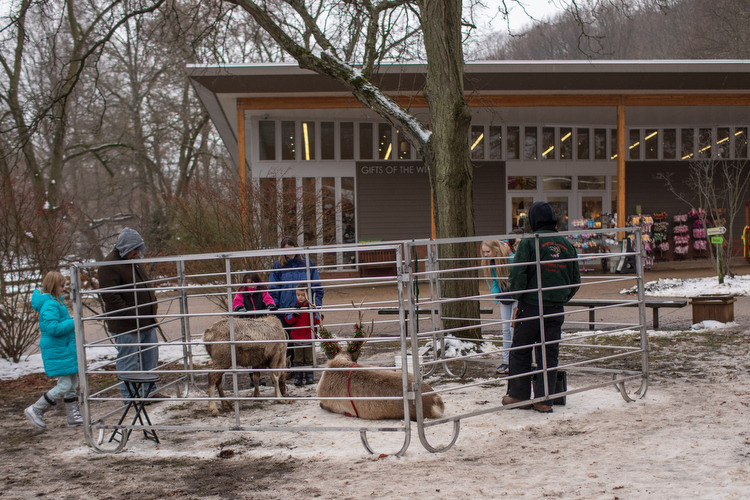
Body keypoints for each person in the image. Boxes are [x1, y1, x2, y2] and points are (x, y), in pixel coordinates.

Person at [503, 202, 580, 413]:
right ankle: (544, 399)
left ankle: (518, 396)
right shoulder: (567, 244)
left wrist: (519, 295)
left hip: (531, 306)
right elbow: (575, 279)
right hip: (555, 308)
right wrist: (561, 297)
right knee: (549, 352)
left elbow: (518, 273)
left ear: (533, 219)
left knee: (521, 350)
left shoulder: (530, 242)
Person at [98, 227, 168, 401]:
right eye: (135, 248)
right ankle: (130, 397)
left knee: (149, 359)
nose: (138, 252)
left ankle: (148, 391)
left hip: (145, 321)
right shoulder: (109, 266)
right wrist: (131, 313)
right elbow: (110, 296)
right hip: (127, 324)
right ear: (126, 247)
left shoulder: (133, 261)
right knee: (128, 360)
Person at [25, 271, 84, 429]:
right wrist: (73, 322)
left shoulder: (56, 301)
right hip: (58, 351)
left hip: (64, 350)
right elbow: (53, 328)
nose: (64, 288)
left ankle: (73, 416)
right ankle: (36, 409)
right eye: (62, 285)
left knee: (72, 383)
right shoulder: (50, 304)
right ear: (53, 285)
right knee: (64, 385)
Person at [269, 236, 324, 331]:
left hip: (305, 310)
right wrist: (275, 306)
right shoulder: (278, 266)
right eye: (286, 250)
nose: (290, 253)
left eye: (292, 249)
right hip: (286, 311)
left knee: (305, 340)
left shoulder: (307, 263)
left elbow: (317, 286)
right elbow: (273, 288)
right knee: (287, 342)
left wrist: (316, 304)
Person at [480, 240, 514, 375]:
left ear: (496, 249)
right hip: (504, 295)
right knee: (505, 328)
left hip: (516, 295)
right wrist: (497, 295)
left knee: (513, 329)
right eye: (484, 252)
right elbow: (493, 280)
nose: (486, 255)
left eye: (488, 252)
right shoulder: (492, 262)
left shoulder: (511, 259)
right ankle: (506, 361)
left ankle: (516, 361)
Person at [285, 285, 321, 386]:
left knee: (309, 358)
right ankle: (298, 377)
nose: (300, 297)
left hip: (309, 338)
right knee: (298, 359)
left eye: (303, 295)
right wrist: (294, 315)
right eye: (298, 295)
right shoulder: (293, 306)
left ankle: (309, 376)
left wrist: (312, 313)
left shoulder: (312, 306)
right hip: (297, 338)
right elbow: (288, 320)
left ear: (308, 295)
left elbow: (318, 320)